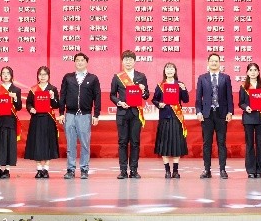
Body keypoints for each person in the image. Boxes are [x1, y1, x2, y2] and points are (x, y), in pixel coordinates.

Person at [58, 53, 102, 180]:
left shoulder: (93, 78)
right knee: (70, 144)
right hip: (70, 114)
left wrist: (96, 114)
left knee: (84, 143)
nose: (79, 62)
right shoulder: (68, 77)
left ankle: (84, 169)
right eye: (77, 60)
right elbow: (63, 95)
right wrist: (61, 113)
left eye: (82, 60)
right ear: (74, 62)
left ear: (86, 62)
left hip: (85, 115)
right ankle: (70, 169)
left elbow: (97, 97)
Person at [110, 50, 149, 179]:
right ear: (122, 62)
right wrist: (119, 102)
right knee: (122, 142)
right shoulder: (117, 77)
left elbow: (146, 95)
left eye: (130, 59)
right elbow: (112, 95)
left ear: (134, 61)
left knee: (135, 142)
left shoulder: (141, 76)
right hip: (122, 113)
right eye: (126, 59)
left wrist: (143, 91)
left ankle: (133, 170)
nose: (128, 62)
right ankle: (123, 171)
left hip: (136, 113)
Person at [195, 53, 234, 179]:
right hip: (207, 114)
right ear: (208, 63)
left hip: (221, 114)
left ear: (219, 63)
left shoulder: (225, 78)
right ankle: (207, 170)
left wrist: (230, 112)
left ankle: (222, 169)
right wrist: (198, 111)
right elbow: (198, 97)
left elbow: (229, 96)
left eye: (216, 61)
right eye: (211, 61)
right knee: (207, 143)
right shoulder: (202, 78)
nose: (214, 63)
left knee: (221, 142)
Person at [152, 62, 189, 179]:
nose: (169, 71)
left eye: (172, 68)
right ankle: (167, 171)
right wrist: (159, 104)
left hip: (177, 118)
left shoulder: (180, 84)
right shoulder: (160, 85)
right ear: (164, 71)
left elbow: (186, 100)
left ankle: (175, 171)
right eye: (167, 68)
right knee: (165, 145)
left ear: (175, 71)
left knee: (176, 144)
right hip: (165, 117)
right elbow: (154, 100)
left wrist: (184, 90)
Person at [24, 66, 60, 179]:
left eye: (45, 74)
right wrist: (31, 109)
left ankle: (46, 169)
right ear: (37, 76)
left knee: (48, 143)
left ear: (48, 76)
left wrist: (53, 97)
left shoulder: (52, 89)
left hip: (48, 119)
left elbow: (56, 105)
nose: (42, 77)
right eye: (40, 74)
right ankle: (39, 169)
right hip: (36, 119)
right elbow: (28, 103)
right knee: (37, 143)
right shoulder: (33, 89)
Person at [238, 63, 261, 178]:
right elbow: (241, 103)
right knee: (250, 144)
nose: (253, 72)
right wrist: (246, 107)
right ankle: (251, 170)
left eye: (255, 70)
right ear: (247, 72)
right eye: (250, 70)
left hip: (260, 118)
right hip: (248, 118)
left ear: (258, 72)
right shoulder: (243, 86)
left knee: (260, 144)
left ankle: (260, 170)